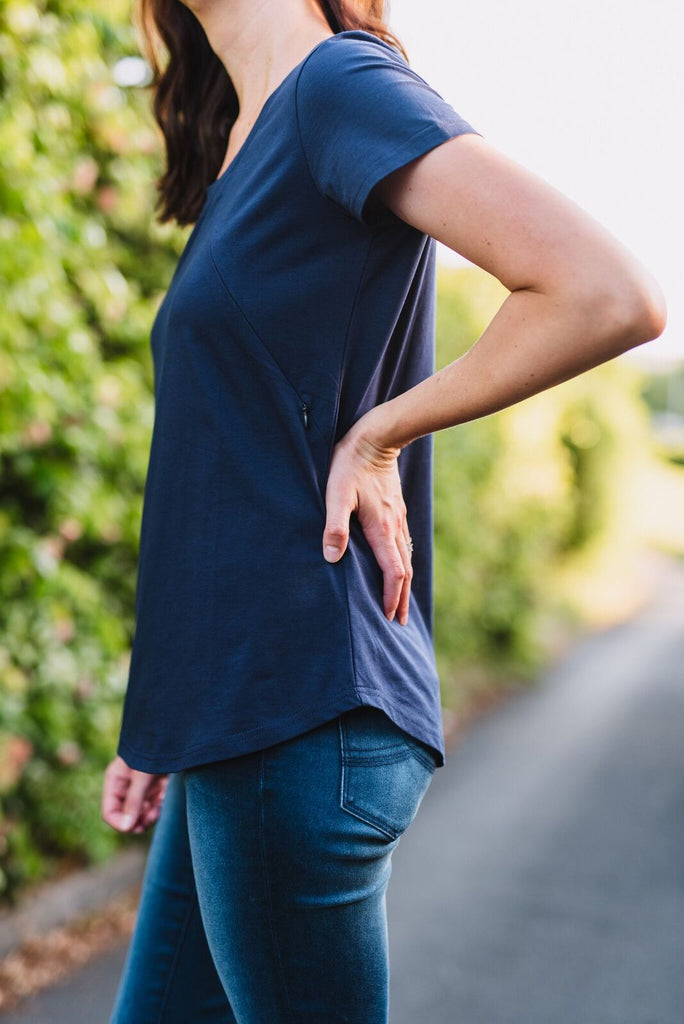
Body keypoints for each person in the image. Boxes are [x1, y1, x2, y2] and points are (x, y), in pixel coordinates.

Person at [102, 0, 666, 1021]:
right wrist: (160, 721)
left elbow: (604, 291)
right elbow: (218, 471)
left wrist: (381, 434)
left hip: (298, 712)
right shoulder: (248, 128)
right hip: (236, 723)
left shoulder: (337, 89)